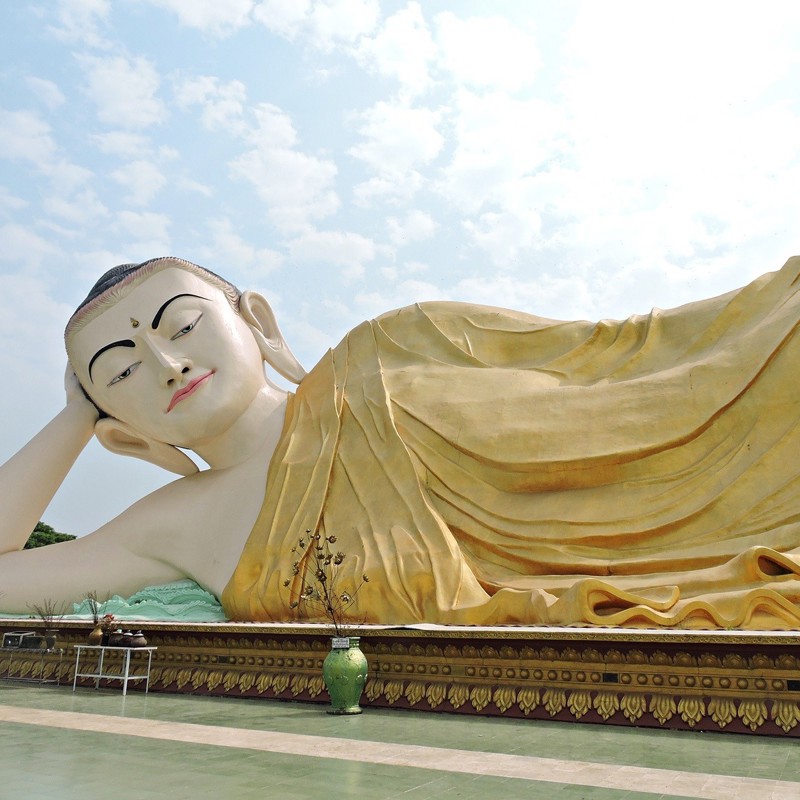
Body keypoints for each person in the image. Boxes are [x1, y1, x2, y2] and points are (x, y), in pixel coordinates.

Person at [2, 255, 800, 629]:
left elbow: (622, 366)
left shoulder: (399, 351)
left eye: (182, 325)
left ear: (258, 323)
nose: (166, 363)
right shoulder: (173, 523)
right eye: (120, 370)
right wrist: (73, 419)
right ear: (119, 431)